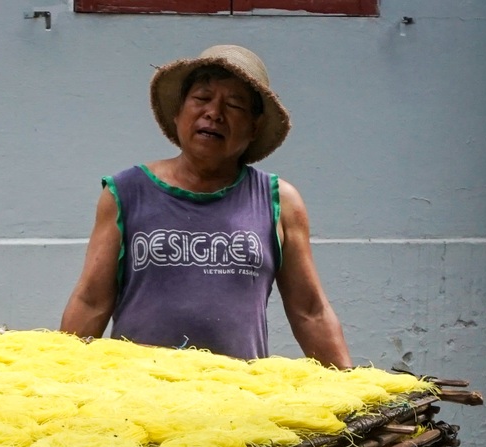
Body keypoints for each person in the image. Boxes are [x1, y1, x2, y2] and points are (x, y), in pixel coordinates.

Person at [59, 44, 352, 369]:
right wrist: (57, 383)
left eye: (235, 104)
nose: (214, 112)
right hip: (137, 398)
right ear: (178, 112)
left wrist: (354, 390)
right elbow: (91, 301)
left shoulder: (280, 201)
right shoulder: (125, 192)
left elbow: (310, 312)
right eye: (201, 99)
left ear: (254, 127)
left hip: (238, 401)